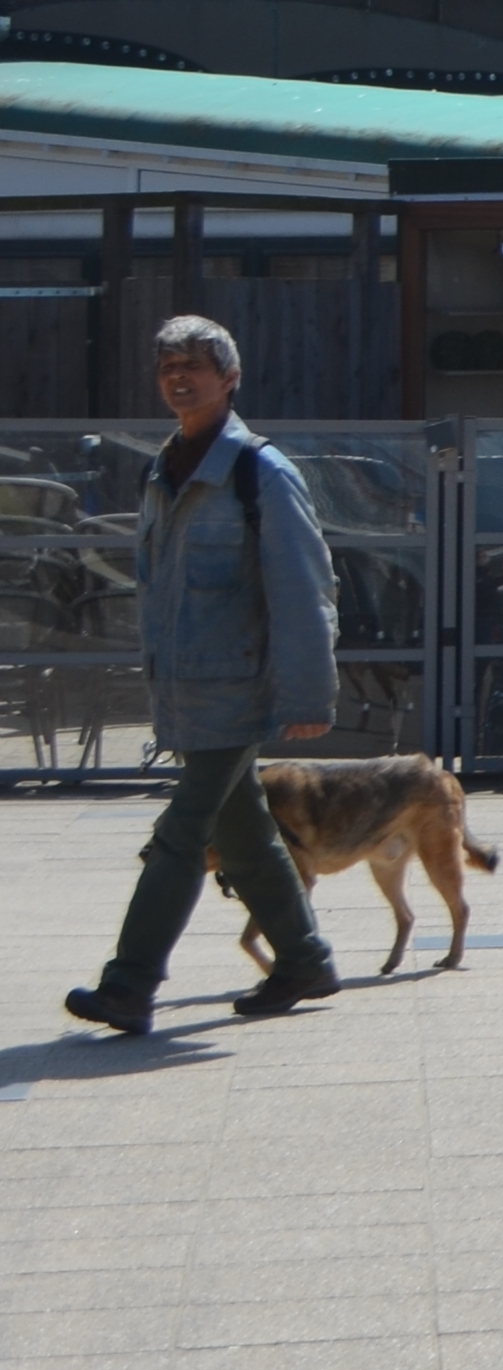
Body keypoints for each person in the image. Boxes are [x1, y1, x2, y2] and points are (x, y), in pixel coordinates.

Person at [64, 317, 346, 1035]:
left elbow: (304, 587)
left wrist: (308, 693)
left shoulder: (260, 472)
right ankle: (305, 958)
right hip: (184, 688)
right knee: (243, 830)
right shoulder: (162, 467)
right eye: (167, 368)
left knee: (182, 832)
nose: (178, 378)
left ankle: (129, 985)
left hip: (236, 690)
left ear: (230, 378)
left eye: (194, 365)